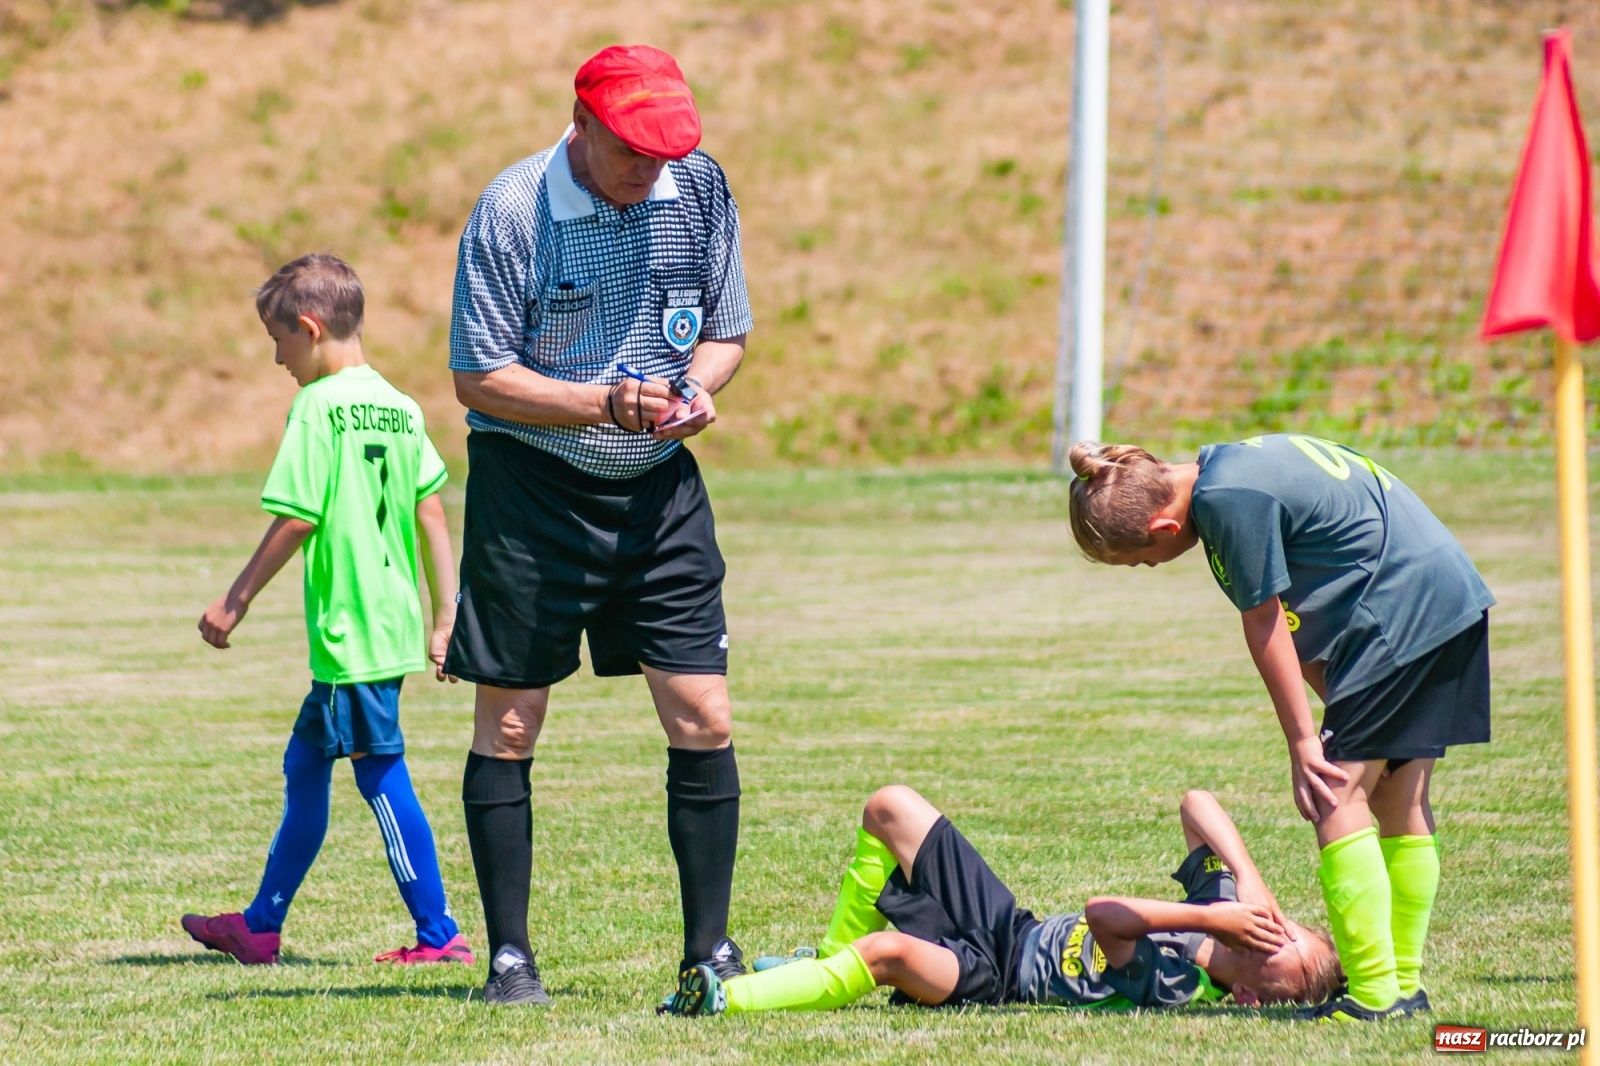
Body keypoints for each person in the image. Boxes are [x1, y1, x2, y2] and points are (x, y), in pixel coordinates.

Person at [443, 43, 754, 1005]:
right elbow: (477, 374)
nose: (652, 170)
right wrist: (603, 404)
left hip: (657, 486)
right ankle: (510, 958)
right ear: (581, 127)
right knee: (510, 721)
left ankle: (709, 952)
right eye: (634, 153)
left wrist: (694, 389)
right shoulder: (511, 212)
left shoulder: (697, 187)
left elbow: (727, 329)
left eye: (666, 153)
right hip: (530, 491)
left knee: (703, 713)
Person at [1066, 433, 1495, 1021]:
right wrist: (1335, 714)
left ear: (1164, 531)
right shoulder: (1227, 465)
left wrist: (1302, 743)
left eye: (1141, 560)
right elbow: (1312, 610)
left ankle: (1374, 995)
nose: (1150, 567)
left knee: (1332, 796)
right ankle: (1402, 986)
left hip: (1396, 612)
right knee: (1398, 794)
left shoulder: (1226, 503)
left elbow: (1266, 622)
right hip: (1442, 597)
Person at [182, 254, 471, 967]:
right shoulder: (401, 406)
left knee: (379, 771)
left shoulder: (316, 407)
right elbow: (430, 510)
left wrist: (234, 598)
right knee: (305, 761)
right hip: (391, 620)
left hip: (351, 629)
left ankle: (441, 935)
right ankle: (259, 926)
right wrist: (444, 615)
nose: (277, 358)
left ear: (310, 329)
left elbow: (298, 517)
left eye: (279, 341)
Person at [662, 785, 1342, 1015]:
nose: (1263, 935)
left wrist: (1206, 916)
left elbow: (1104, 914)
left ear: (1248, 997)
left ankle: (725, 998)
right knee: (890, 807)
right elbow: (1197, 803)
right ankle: (823, 961)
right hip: (1007, 925)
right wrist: (1247, 880)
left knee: (890, 952)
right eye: (1281, 930)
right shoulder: (1228, 908)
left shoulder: (1177, 985)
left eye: (1268, 954)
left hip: (995, 980)